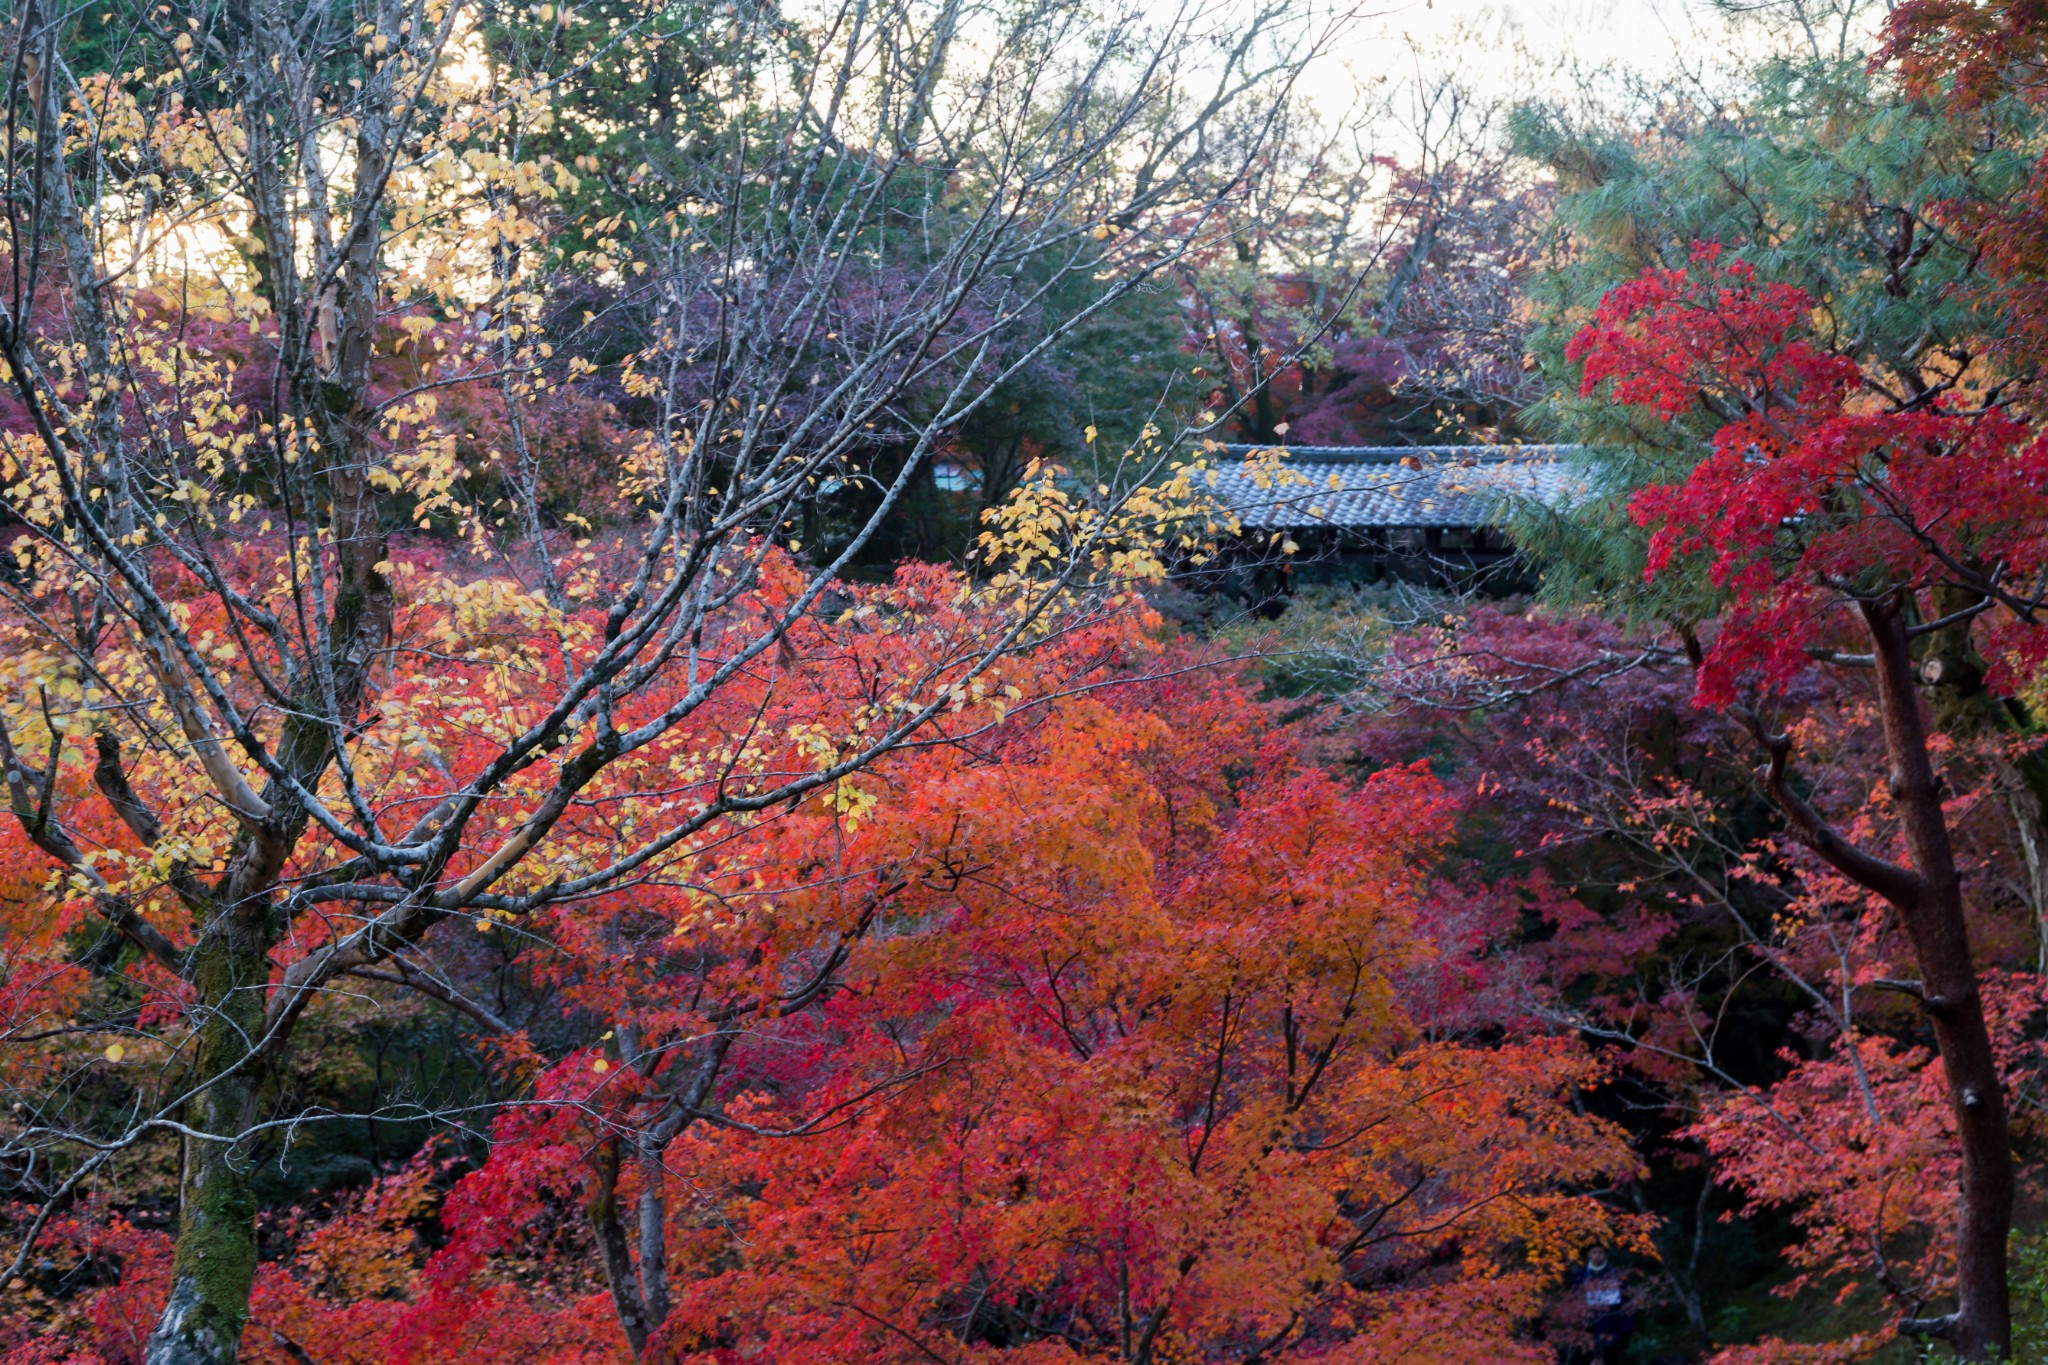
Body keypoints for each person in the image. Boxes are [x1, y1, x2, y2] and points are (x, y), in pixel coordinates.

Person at [1565, 1244, 1635, 1364]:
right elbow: (1572, 1300)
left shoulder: (1616, 1274)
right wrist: (1572, 1324)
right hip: (1586, 1327)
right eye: (1594, 1252)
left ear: (1605, 1254)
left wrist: (1625, 1329)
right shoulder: (1580, 1275)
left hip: (1611, 1327)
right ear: (1589, 1254)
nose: (1597, 1256)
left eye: (1600, 1253)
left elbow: (1626, 1303)